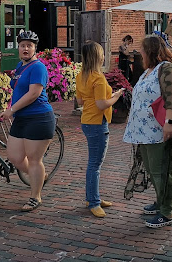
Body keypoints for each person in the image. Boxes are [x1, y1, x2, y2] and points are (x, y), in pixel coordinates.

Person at [123, 35, 172, 228]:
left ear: (151, 51)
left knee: (161, 170)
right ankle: (160, 201)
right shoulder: (148, 71)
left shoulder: (166, 68)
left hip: (158, 129)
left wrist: (170, 122)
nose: (139, 52)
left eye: (142, 49)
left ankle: (167, 210)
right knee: (150, 168)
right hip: (144, 130)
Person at [1, 31, 54, 212]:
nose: (26, 48)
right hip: (21, 118)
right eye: (23, 45)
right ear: (18, 47)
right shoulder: (19, 66)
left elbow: (33, 94)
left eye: (29, 46)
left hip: (38, 118)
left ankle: (35, 196)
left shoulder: (38, 67)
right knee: (15, 157)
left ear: (34, 48)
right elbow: (17, 91)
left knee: (33, 159)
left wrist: (11, 110)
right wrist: (8, 107)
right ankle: (39, 176)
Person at [76, 41, 125, 218]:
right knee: (95, 165)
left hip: (87, 120)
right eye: (102, 53)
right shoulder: (98, 77)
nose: (105, 56)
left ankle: (92, 197)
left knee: (93, 163)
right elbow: (102, 104)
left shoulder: (81, 75)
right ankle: (94, 202)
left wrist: (107, 96)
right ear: (98, 57)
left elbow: (81, 101)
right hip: (98, 121)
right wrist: (116, 96)